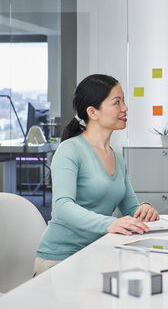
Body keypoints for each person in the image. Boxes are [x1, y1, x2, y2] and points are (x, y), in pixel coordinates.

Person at [35, 74, 159, 276]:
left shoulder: (117, 158)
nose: (125, 108)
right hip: (61, 259)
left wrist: (144, 210)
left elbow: (130, 209)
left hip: (98, 254)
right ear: (92, 112)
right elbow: (63, 206)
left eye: (124, 101)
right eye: (117, 102)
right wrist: (110, 223)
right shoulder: (70, 150)